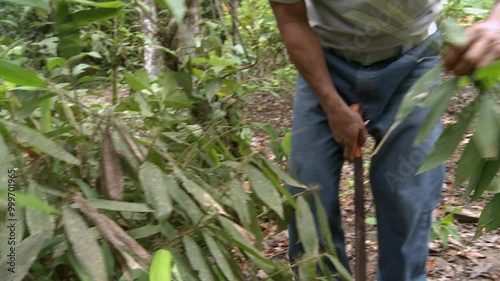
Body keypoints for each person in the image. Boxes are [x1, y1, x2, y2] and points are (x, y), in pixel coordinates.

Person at [269, 0, 500, 280]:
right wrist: (332, 105)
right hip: (321, 58)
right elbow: (291, 19)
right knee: (307, 192)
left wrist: (495, 24)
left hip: (414, 58)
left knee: (406, 195)